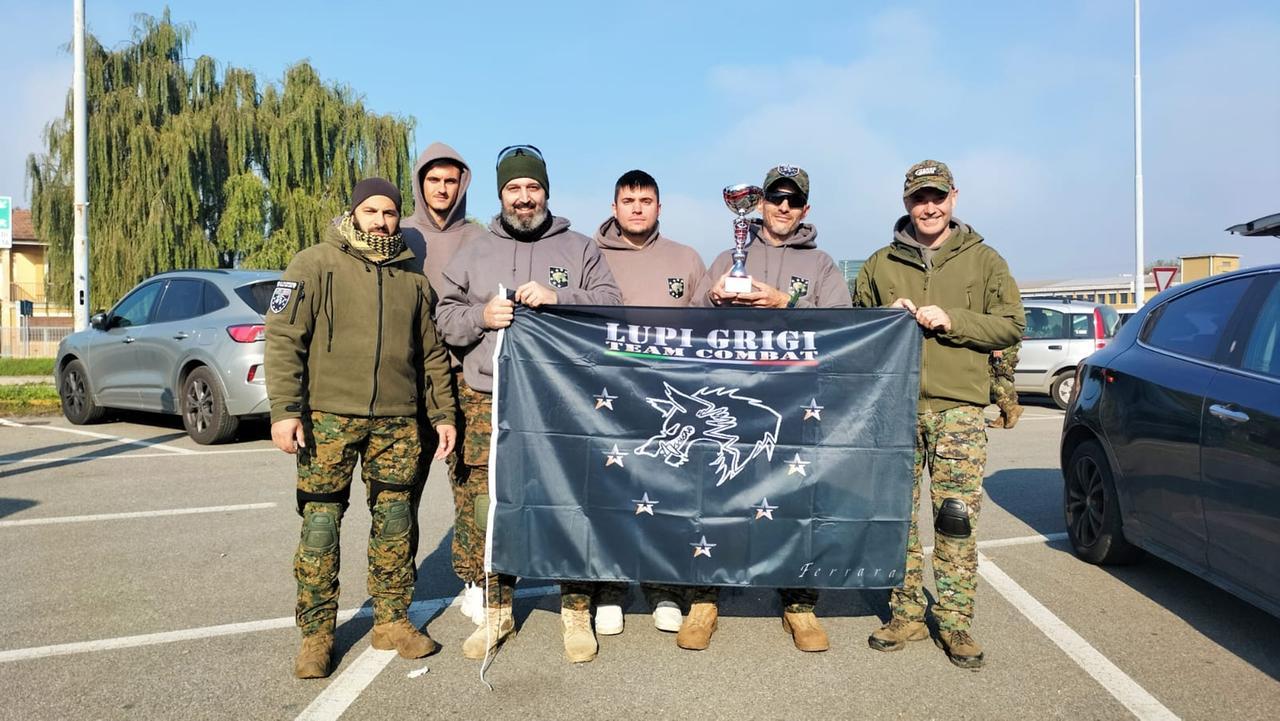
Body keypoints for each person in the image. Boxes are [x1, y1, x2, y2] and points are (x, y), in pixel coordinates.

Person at [265, 178, 458, 679]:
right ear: (354, 214)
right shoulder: (313, 264)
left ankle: (392, 621)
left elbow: (433, 355)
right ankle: (316, 636)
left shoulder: (412, 279)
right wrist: (285, 410)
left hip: (397, 423)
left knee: (396, 524)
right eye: (371, 210)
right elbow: (284, 339)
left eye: (390, 212)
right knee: (322, 525)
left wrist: (442, 415)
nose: (381, 220)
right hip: (327, 418)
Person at [435, 145, 621, 663]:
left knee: (569, 502)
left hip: (562, 399)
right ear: (501, 195)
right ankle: (497, 612)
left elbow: (612, 305)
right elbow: (444, 317)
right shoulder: (473, 250)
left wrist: (563, 298)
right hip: (488, 398)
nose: (524, 198)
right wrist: (480, 316)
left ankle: (576, 612)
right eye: (514, 189)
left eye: (532, 188)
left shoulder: (579, 248)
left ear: (546, 191)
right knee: (490, 507)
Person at [853, 160, 1024, 669]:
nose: (928, 207)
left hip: (958, 411)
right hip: (896, 409)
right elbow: (855, 331)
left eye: (937, 196)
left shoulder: (985, 260)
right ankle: (904, 612)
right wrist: (882, 321)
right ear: (905, 203)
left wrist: (954, 320)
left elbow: (1011, 326)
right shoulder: (880, 264)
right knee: (896, 522)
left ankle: (954, 621)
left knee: (955, 521)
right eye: (918, 198)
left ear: (953, 197)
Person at [690, 164, 851, 653]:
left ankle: (799, 604)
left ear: (805, 208)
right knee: (715, 499)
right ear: (759, 203)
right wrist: (713, 297)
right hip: (734, 402)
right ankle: (704, 598)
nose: (783, 206)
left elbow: (843, 327)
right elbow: (689, 325)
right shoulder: (727, 255)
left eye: (794, 200)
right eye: (776, 197)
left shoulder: (822, 264)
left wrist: (789, 302)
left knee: (798, 502)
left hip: (797, 406)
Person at [592, 169, 708, 637]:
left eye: (646, 200)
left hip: (668, 405)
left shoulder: (686, 258)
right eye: (628, 200)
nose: (637, 207)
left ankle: (664, 588)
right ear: (614, 206)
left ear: (660, 207)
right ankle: (611, 590)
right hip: (608, 401)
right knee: (609, 496)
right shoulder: (589, 255)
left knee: (667, 496)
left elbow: (707, 332)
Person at [400, 142, 490, 625]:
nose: (442, 188)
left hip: (464, 377)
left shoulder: (480, 238)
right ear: (420, 183)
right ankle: (398, 594)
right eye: (433, 179)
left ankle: (475, 579)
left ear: (463, 184)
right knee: (401, 491)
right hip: (409, 380)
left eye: (451, 180)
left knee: (471, 483)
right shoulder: (399, 234)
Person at [988, 343, 1024, 428]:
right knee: (1002, 374)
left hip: (1001, 343)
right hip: (1004, 343)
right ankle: (1004, 417)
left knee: (997, 375)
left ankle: (1010, 409)